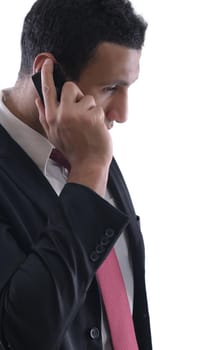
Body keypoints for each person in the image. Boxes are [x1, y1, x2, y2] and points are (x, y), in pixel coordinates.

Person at [0, 0, 152, 349]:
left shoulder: (88, 141)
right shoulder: (91, 158)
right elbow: (23, 333)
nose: (123, 113)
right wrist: (87, 174)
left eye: (129, 87)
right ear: (47, 74)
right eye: (111, 88)